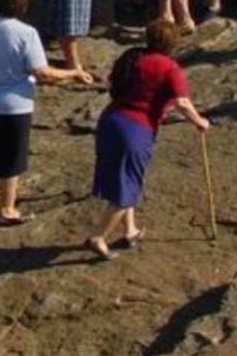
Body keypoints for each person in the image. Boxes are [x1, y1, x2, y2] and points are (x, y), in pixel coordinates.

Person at [0, 0, 92, 224]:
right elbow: (42, 72)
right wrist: (73, 73)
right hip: (15, 105)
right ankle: (7, 209)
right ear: (23, 6)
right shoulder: (26, 33)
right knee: (11, 157)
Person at [87, 19, 211, 260]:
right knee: (128, 185)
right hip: (135, 128)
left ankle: (130, 230)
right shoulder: (169, 67)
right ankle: (99, 236)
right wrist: (199, 121)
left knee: (126, 178)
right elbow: (182, 102)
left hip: (111, 119)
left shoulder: (132, 57)